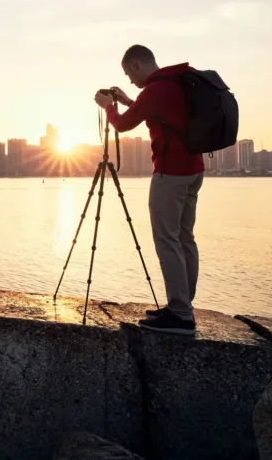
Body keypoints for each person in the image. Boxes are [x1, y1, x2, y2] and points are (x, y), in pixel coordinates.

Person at [94, 45, 205, 335]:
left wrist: (108, 106)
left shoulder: (155, 90)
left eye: (128, 73)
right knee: (184, 238)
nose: (129, 79)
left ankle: (180, 315)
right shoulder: (177, 81)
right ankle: (183, 305)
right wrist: (128, 100)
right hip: (193, 169)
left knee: (167, 240)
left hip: (170, 172)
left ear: (135, 64)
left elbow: (123, 125)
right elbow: (155, 115)